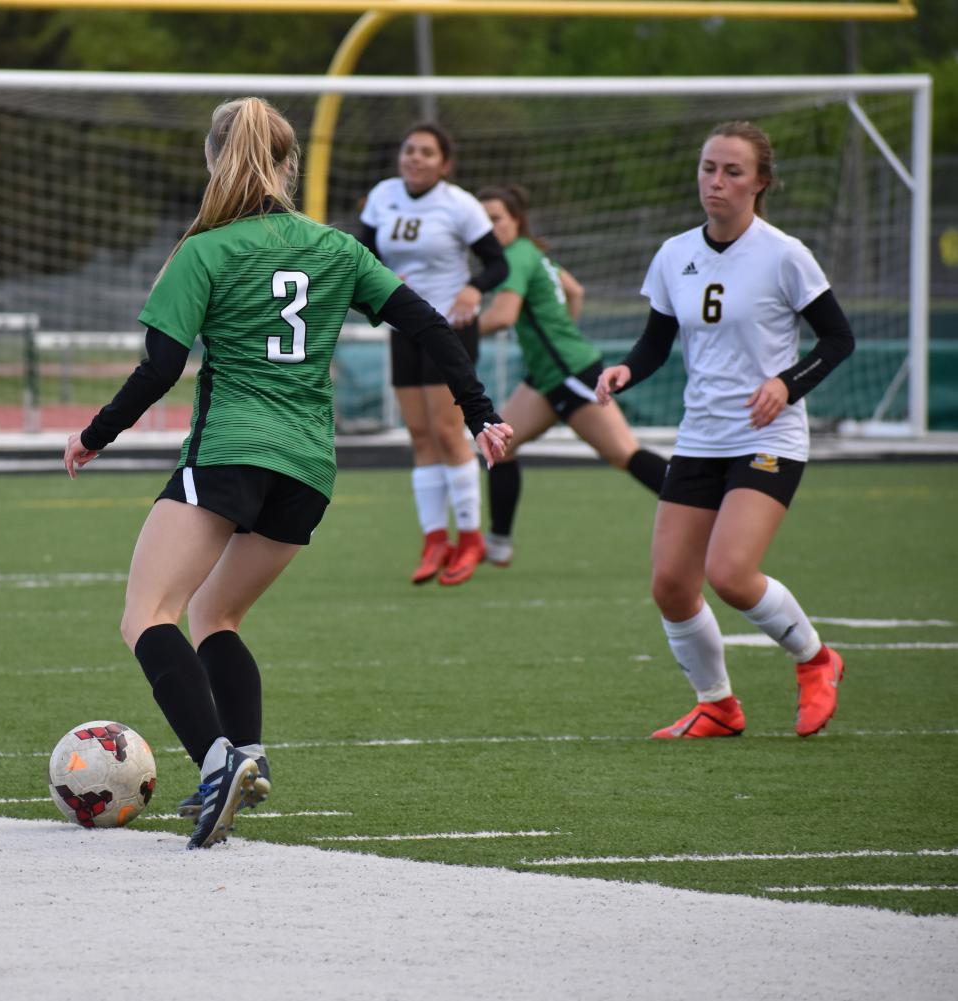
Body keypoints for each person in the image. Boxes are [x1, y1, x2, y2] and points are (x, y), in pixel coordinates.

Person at [64, 97, 513, 848]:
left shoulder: (203, 251)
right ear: (289, 166)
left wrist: (94, 434)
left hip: (231, 449)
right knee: (216, 616)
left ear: (214, 160)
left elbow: (161, 368)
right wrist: (478, 411)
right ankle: (247, 755)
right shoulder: (335, 248)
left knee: (146, 613)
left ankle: (214, 762)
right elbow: (428, 324)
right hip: (307, 465)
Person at [595, 120, 855, 739]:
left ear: (760, 183)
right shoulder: (674, 253)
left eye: (733, 171)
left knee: (732, 574)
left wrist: (787, 384)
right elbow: (657, 341)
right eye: (709, 168)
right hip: (701, 436)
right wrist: (627, 369)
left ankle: (817, 661)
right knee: (670, 585)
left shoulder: (784, 254)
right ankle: (717, 704)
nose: (716, 181)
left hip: (769, 437)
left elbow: (839, 338)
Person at [472, 184, 668, 567]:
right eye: (482, 220)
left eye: (496, 218)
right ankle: (498, 543)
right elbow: (574, 290)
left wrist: (439, 332)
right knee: (499, 446)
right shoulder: (531, 253)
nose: (489, 227)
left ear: (516, 221)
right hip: (548, 375)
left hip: (571, 372)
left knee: (623, 454)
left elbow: (502, 317)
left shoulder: (515, 256)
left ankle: (700, 503)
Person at [357, 123, 510, 586]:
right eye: (409, 150)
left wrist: (471, 288)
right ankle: (434, 539)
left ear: (445, 164)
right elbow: (359, 255)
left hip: (449, 328)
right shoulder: (383, 195)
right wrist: (380, 282)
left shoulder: (459, 203)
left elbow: (497, 262)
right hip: (404, 326)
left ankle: (470, 539)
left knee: (447, 432)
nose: (415, 158)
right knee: (420, 433)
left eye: (426, 152)